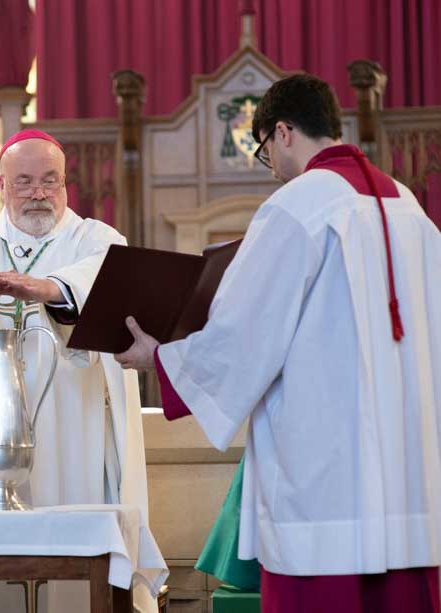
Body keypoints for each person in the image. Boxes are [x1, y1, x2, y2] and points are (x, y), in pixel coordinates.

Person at [115, 74, 441, 613]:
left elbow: (243, 335)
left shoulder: (298, 205)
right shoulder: (408, 206)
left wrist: (159, 358)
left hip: (325, 474)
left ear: (282, 132)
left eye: (265, 151)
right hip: (409, 471)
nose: (272, 167)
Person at [0, 129, 159, 613]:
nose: (38, 193)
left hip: (75, 427)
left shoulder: (97, 238)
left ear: (66, 183)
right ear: (1, 186)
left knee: (74, 557)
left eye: (50, 180)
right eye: (24, 181)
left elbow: (105, 274)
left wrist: (50, 288)